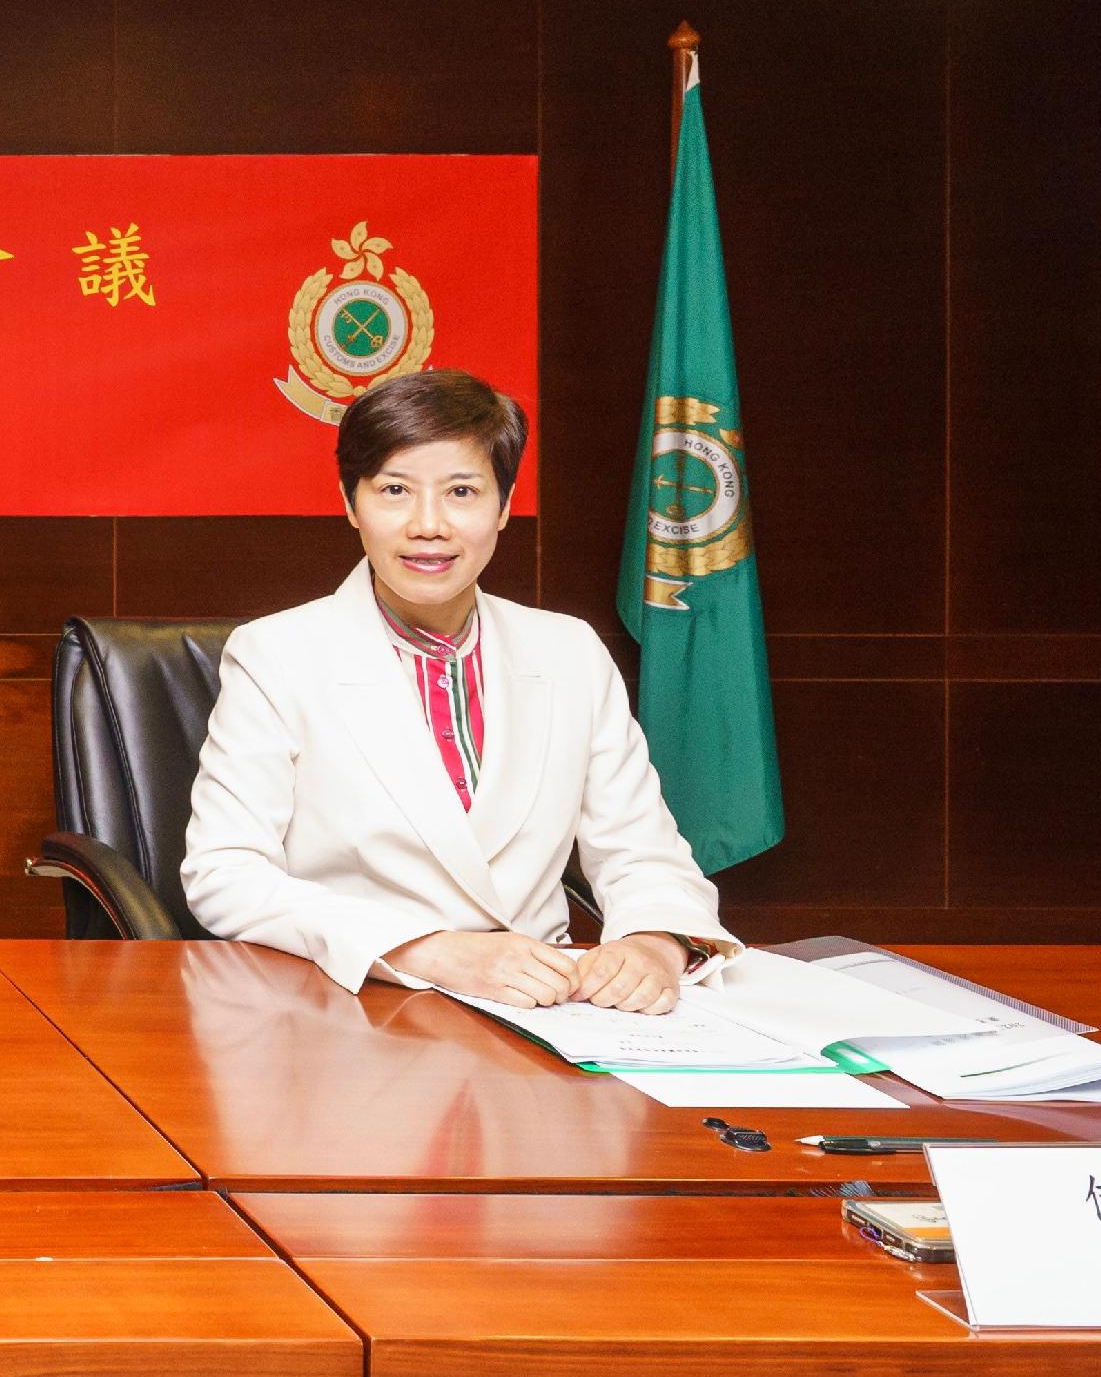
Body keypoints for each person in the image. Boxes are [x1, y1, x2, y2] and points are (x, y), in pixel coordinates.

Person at [180, 367, 728, 1014]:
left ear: (503, 504)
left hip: (543, 1015)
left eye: (462, 490)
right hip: (358, 1010)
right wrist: (430, 950)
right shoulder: (277, 654)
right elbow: (225, 875)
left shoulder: (568, 652)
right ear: (351, 503)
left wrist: (653, 942)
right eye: (395, 491)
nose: (428, 524)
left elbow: (644, 853)